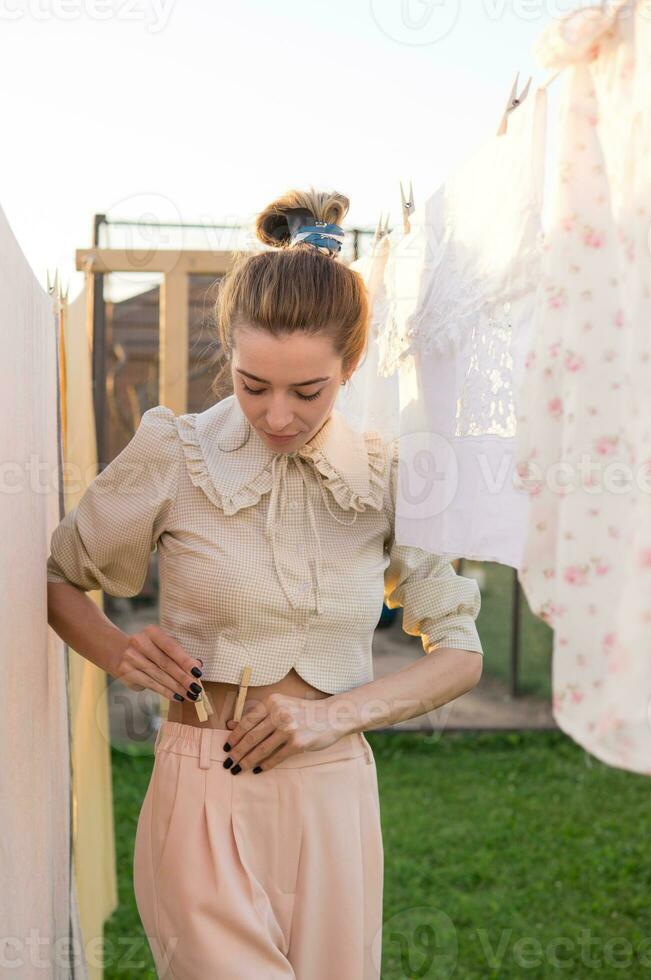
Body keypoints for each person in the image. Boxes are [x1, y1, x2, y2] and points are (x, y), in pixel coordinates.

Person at [46, 187, 484, 979]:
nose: (276, 415)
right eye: (254, 385)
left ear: (350, 366)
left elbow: (460, 652)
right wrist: (117, 651)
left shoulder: (387, 474)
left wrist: (334, 719)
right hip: (202, 789)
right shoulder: (174, 452)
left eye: (307, 392)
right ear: (230, 355)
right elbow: (57, 577)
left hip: (337, 800)